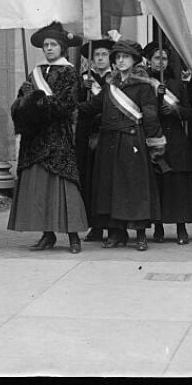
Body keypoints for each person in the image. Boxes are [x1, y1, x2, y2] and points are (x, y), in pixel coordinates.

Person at [8, 21, 88, 253]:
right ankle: (47, 234)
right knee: (40, 188)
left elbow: (66, 104)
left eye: (53, 44)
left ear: (62, 48)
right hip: (35, 139)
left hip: (57, 138)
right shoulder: (36, 72)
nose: (49, 49)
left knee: (63, 188)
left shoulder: (69, 72)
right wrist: (24, 102)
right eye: (46, 45)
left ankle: (73, 236)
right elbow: (21, 102)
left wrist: (35, 101)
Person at [79, 38, 163, 251]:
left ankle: (141, 234)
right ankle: (117, 233)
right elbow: (89, 107)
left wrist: (155, 144)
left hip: (132, 142)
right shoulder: (110, 86)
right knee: (111, 190)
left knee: (134, 189)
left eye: (125, 57)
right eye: (118, 57)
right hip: (108, 144)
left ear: (134, 60)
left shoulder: (143, 87)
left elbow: (151, 117)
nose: (121, 60)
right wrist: (73, 96)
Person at [143, 40, 192, 245]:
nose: (161, 62)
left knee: (178, 186)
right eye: (157, 58)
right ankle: (158, 227)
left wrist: (175, 110)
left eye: (164, 58)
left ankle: (181, 227)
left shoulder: (177, 84)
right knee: (158, 184)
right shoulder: (144, 83)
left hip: (175, 140)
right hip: (154, 139)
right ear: (148, 61)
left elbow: (190, 113)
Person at [76, 37, 114, 243]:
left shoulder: (115, 78)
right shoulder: (84, 78)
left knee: (107, 180)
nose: (100, 59)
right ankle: (95, 227)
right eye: (96, 55)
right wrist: (83, 89)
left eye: (104, 55)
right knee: (90, 180)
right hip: (87, 135)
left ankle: (111, 225)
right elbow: (76, 106)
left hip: (107, 133)